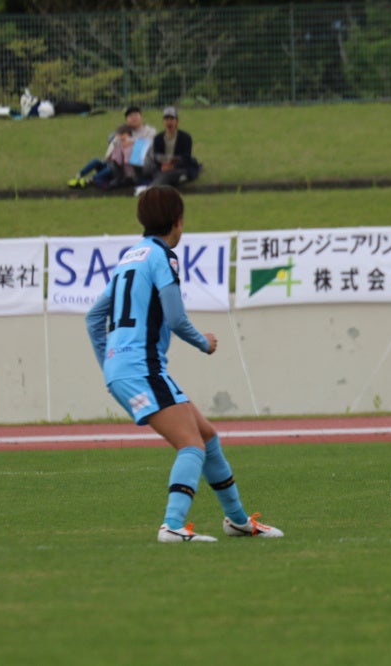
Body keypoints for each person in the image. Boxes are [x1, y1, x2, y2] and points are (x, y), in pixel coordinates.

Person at [84, 186, 283, 543]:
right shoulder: (163, 257)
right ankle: (172, 525)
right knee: (191, 444)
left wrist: (109, 365)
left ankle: (238, 520)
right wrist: (203, 342)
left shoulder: (130, 256)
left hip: (131, 368)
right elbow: (175, 318)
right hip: (141, 368)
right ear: (177, 222)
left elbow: (93, 317)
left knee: (207, 436)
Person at [67, 106, 156, 189]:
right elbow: (112, 148)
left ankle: (89, 180)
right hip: (117, 164)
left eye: (136, 115)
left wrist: (132, 141)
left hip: (138, 167)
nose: (133, 118)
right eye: (130, 116)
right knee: (97, 161)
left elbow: (149, 144)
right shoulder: (123, 132)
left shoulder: (149, 131)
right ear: (126, 120)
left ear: (141, 117)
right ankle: (78, 177)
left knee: (111, 168)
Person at [136, 106, 200, 196]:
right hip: (162, 168)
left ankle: (150, 190)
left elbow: (186, 157)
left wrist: (173, 165)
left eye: (172, 119)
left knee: (167, 175)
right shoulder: (158, 138)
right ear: (163, 122)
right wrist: (163, 164)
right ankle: (152, 189)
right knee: (160, 174)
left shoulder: (185, 137)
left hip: (178, 168)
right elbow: (156, 156)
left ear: (177, 121)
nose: (169, 122)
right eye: (166, 119)